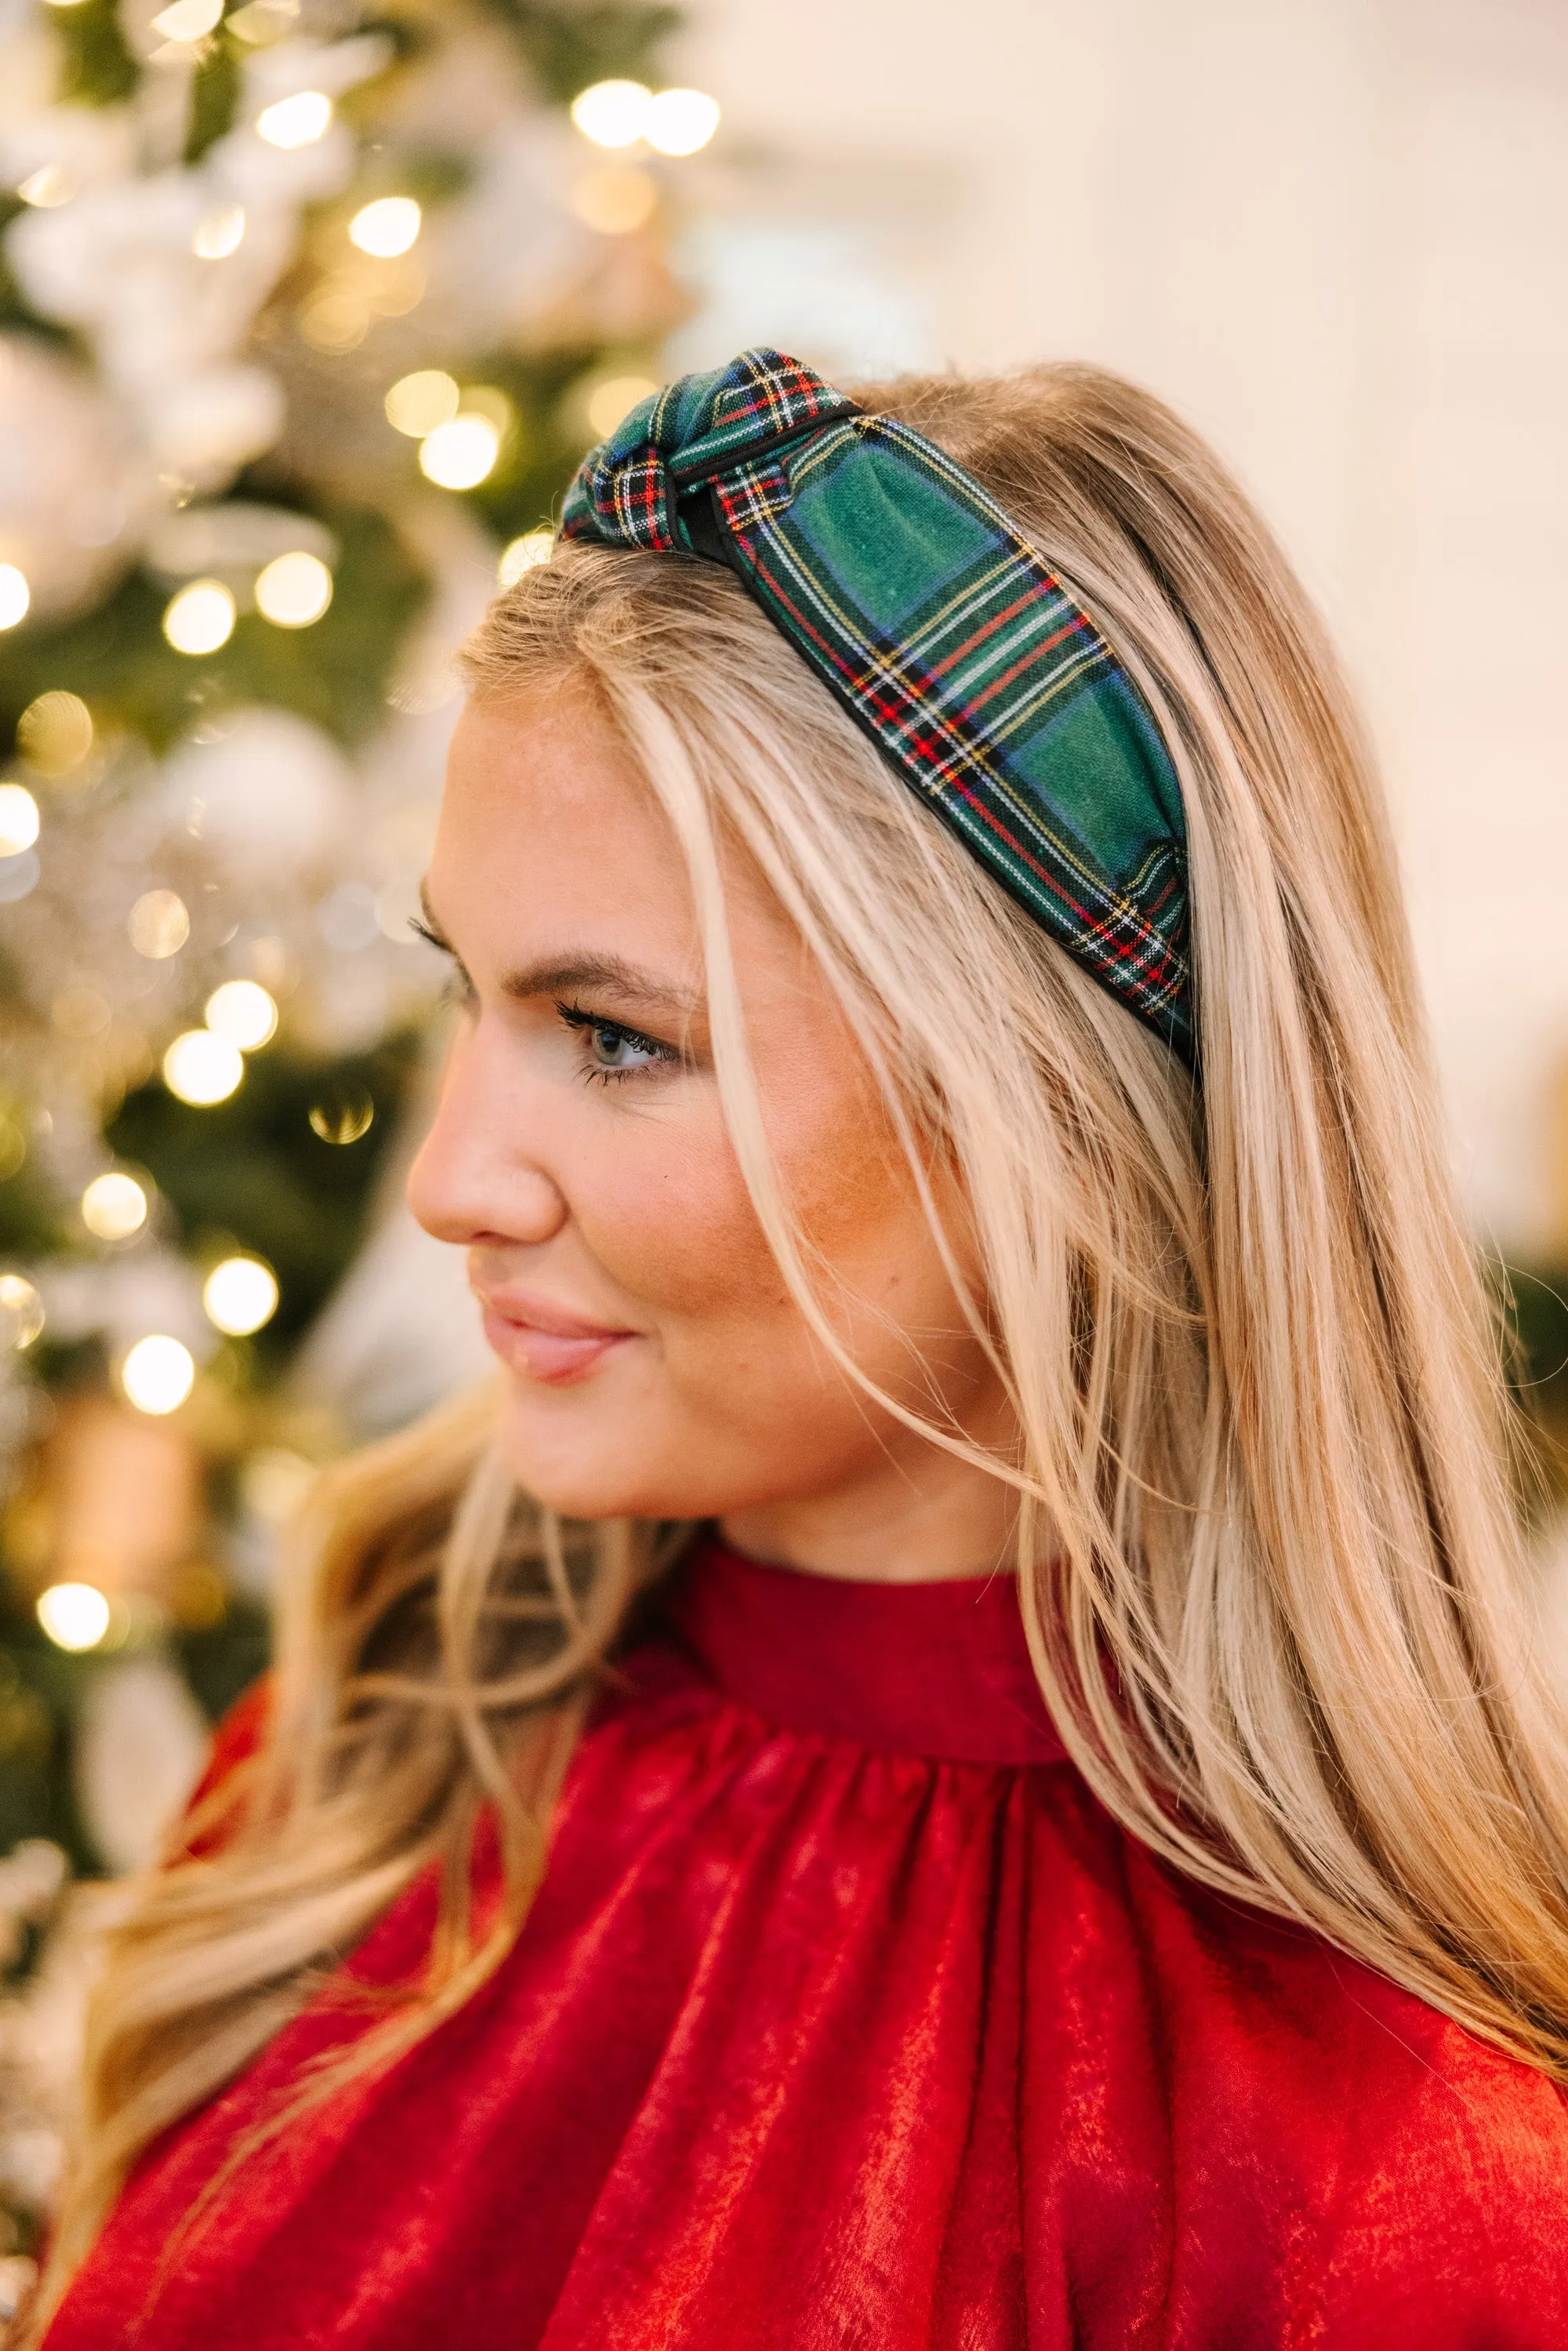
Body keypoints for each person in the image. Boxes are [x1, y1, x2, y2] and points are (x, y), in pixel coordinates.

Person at [27, 350, 1568, 2348]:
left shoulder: (1387, 2179)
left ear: (1056, 1118)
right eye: (467, 998)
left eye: (617, 1037)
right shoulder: (390, 1751)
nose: (452, 1179)